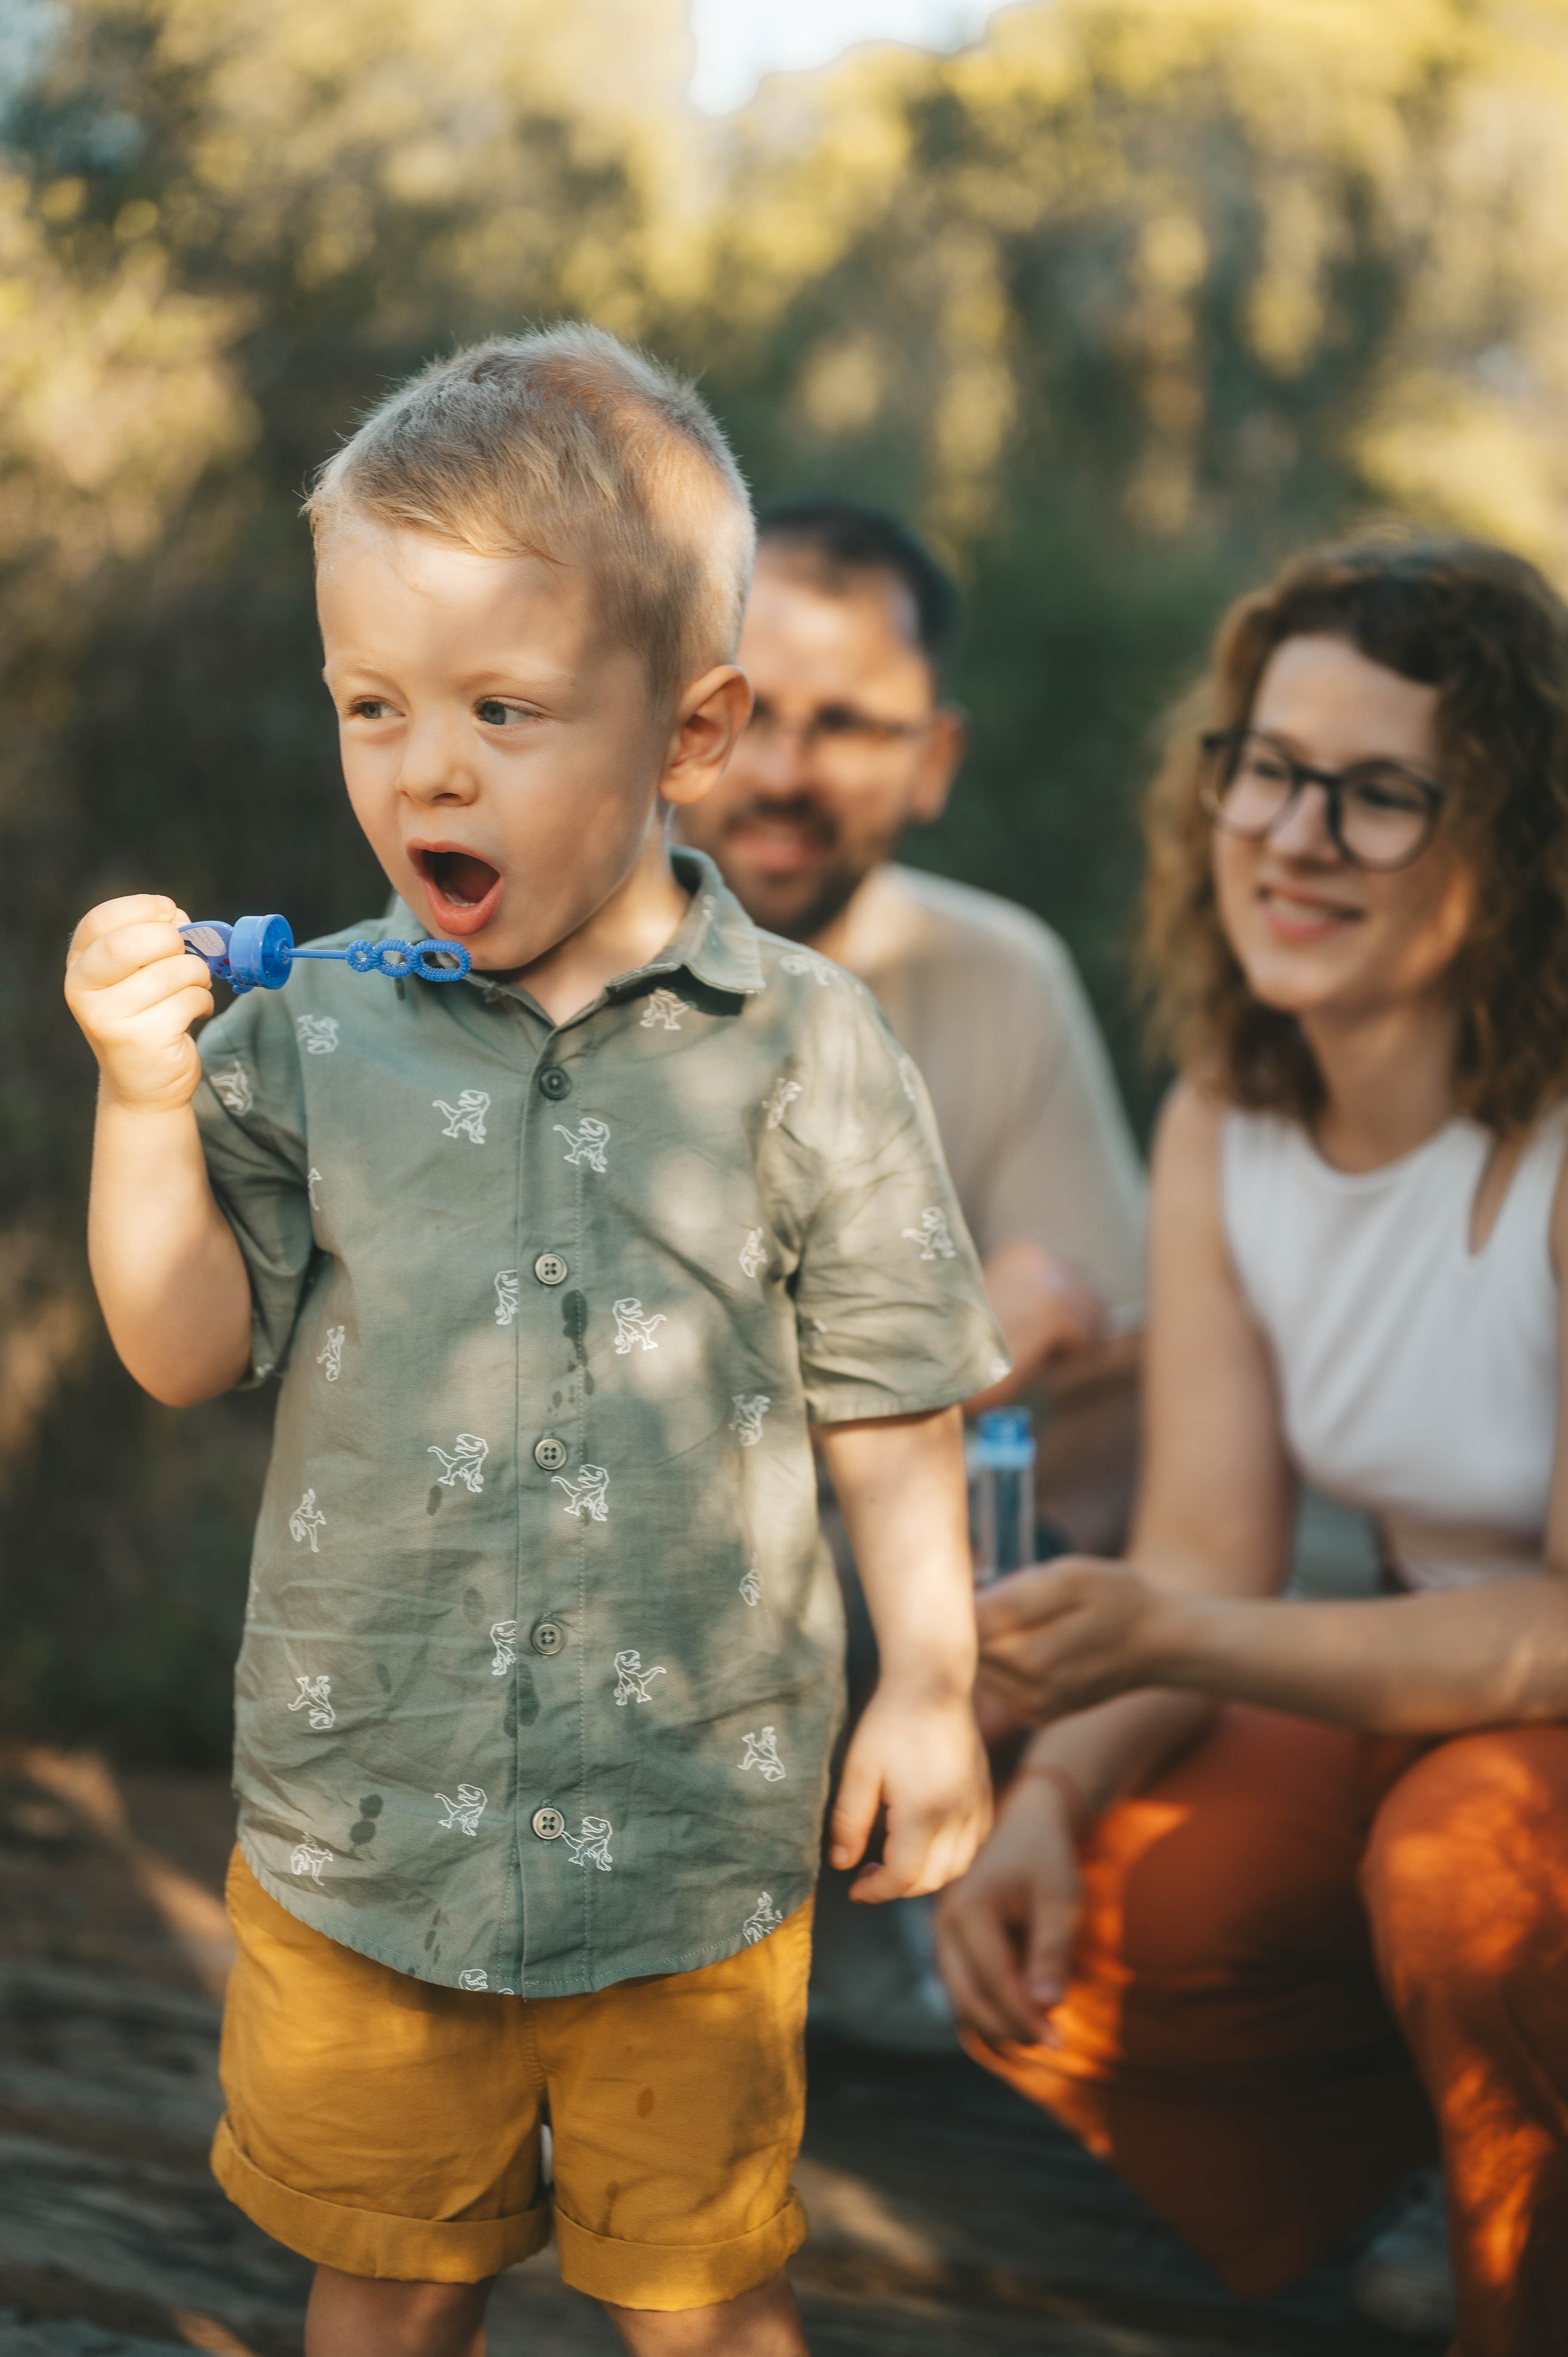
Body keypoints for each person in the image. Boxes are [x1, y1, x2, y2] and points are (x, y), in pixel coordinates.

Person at [62, 327, 1005, 2357]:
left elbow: (893, 1380)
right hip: (368, 1812)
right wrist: (147, 1103)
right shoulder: (306, 1026)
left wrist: (932, 1676)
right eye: (371, 704)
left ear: (695, 729)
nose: (426, 769)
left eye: (504, 707)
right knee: (387, 2271)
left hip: (691, 1821)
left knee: (706, 2286)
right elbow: (174, 1342)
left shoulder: (808, 1044)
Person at [935, 535, 1568, 2357]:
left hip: (1525, 1724)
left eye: (1381, 797)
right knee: (1103, 1912)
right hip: (1426, 1673)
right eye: (1271, 767)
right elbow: (1207, 1551)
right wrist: (1042, 1795)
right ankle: (1443, 2144)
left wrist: (1174, 1640)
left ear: (1512, 833)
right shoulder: (1233, 1111)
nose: (1294, 835)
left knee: (1463, 1879)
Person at [675, 500, 1146, 2054]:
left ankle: (911, 1909)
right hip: (636, 1591)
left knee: (1056, 1528)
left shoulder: (997, 972)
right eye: (758, 711)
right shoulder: (543, 951)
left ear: (933, 758)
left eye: (851, 727)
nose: (789, 773)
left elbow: (1101, 1320)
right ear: (683, 712)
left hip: (922, 1592)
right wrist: (956, 1331)